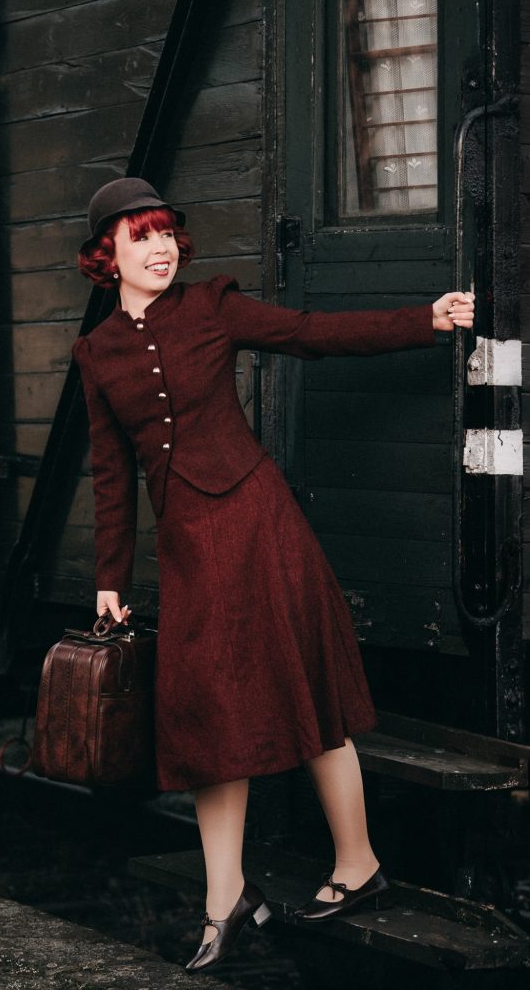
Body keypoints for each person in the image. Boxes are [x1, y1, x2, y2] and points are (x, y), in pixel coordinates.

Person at [72, 178, 475, 972]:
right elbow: (111, 474)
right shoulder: (97, 354)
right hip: (188, 548)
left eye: (164, 234)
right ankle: (225, 898)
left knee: (308, 687)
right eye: (139, 236)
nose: (159, 249)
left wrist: (421, 320)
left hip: (259, 526)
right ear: (103, 254)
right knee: (201, 715)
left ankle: (356, 862)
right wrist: (108, 579)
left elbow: (310, 332)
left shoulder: (212, 306)